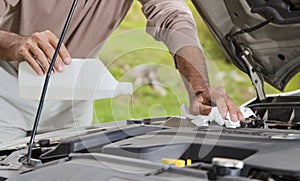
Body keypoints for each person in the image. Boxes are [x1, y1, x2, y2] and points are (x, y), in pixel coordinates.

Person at [0, 0, 244, 143]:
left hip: (75, 91)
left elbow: (174, 17)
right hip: (7, 89)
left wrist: (198, 88)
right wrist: (15, 44)